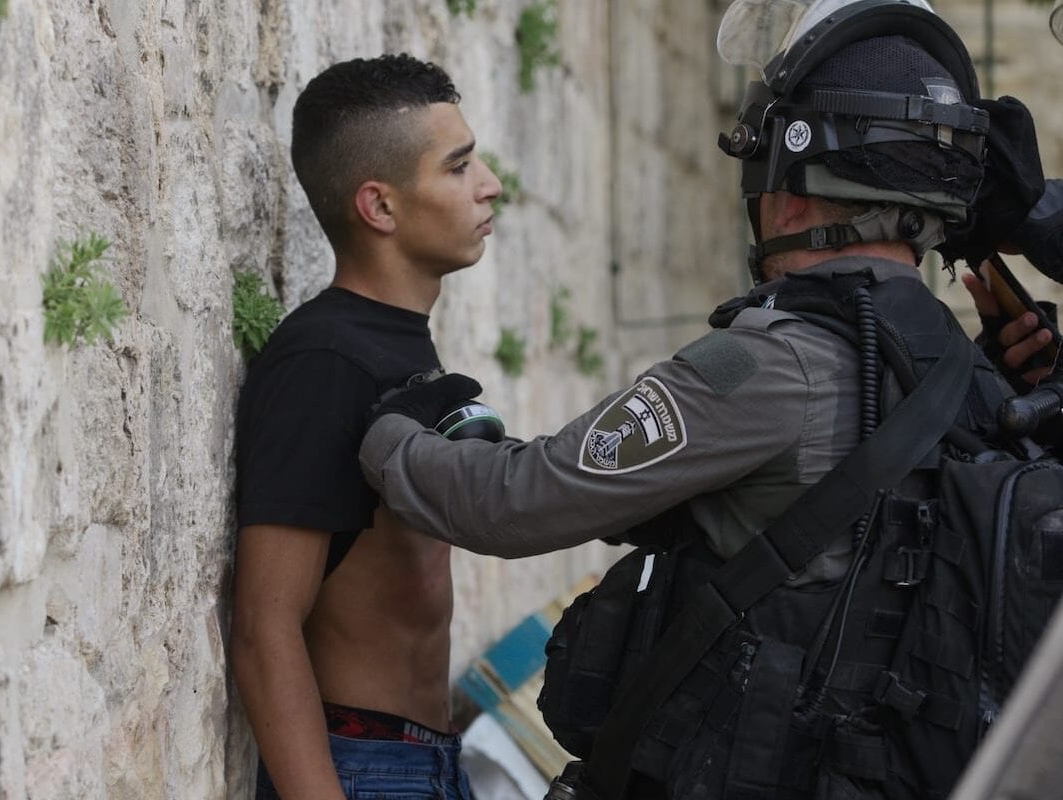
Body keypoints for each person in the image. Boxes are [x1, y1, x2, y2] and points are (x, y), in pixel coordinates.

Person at [358, 2, 1059, 797]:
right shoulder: (984, 381)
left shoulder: (765, 365)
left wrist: (387, 429)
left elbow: (514, 501)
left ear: (787, 188)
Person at [230, 53, 501, 800]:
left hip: (426, 762)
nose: (489, 185)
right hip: (363, 769)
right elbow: (264, 625)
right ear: (379, 208)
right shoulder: (325, 361)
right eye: (458, 168)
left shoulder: (396, 339)